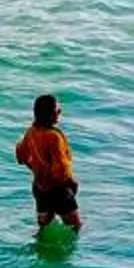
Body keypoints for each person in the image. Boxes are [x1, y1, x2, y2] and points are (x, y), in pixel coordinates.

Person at [14, 94, 83, 233]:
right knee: (75, 227)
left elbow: (20, 155)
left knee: (43, 230)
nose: (60, 112)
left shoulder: (31, 132)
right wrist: (72, 183)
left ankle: (40, 253)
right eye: (57, 110)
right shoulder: (54, 136)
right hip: (58, 190)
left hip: (40, 188)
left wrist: (37, 170)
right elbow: (61, 168)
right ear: (50, 115)